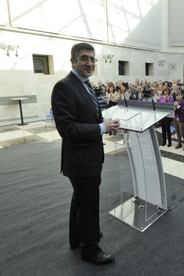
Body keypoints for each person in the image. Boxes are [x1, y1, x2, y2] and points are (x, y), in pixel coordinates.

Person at [51, 42, 118, 264]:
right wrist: (102, 127)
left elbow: (89, 116)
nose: (89, 63)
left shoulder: (86, 85)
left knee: (80, 199)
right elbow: (66, 128)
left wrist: (105, 121)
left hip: (88, 158)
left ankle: (77, 238)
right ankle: (90, 249)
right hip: (80, 161)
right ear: (73, 61)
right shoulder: (64, 87)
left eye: (92, 59)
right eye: (84, 58)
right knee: (89, 204)